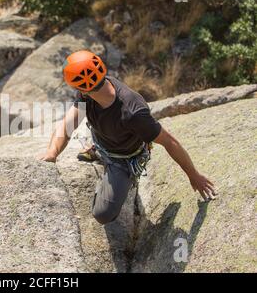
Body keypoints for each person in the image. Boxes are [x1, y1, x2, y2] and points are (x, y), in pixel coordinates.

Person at [40, 50, 217, 225]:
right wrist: (52, 153)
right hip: (103, 138)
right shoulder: (89, 90)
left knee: (102, 214)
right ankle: (98, 151)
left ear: (80, 87)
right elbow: (67, 125)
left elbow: (170, 142)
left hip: (124, 158)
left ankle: (119, 173)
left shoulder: (132, 112)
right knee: (96, 133)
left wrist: (194, 175)